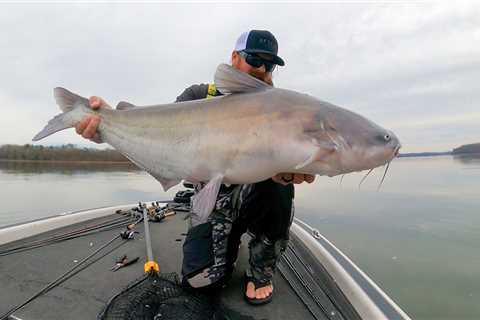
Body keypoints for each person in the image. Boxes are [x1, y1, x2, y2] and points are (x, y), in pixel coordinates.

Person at [75, 30, 315, 305]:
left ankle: (261, 271)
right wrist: (110, 123)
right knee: (199, 282)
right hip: (212, 202)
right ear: (235, 58)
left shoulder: (283, 109)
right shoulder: (198, 95)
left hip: (258, 198)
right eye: (255, 60)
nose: (262, 69)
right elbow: (158, 133)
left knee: (277, 186)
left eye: (270, 64)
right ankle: (229, 243)